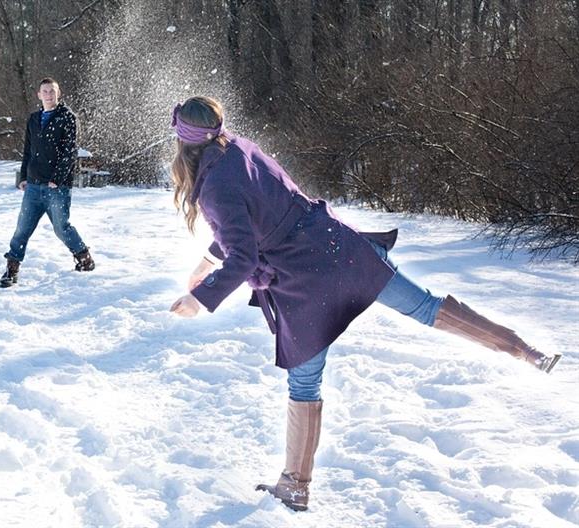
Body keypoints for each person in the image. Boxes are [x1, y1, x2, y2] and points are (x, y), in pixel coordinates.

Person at [166, 96, 561, 512]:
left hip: (304, 279)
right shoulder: (242, 149)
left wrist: (200, 298)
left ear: (183, 141)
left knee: (304, 383)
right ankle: (525, 351)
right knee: (426, 307)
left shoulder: (213, 187)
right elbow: (257, 216)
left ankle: (296, 486)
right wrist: (208, 261)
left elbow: (243, 254)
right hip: (341, 246)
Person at [0, 78, 95, 288]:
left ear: (58, 94)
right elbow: (27, 150)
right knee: (22, 229)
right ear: (39, 95)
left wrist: (57, 179)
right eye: (45, 91)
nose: (49, 95)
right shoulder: (33, 119)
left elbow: (69, 151)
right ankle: (11, 269)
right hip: (33, 186)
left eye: (52, 91)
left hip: (56, 187)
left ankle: (84, 258)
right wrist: (24, 176)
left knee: (61, 228)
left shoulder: (67, 117)